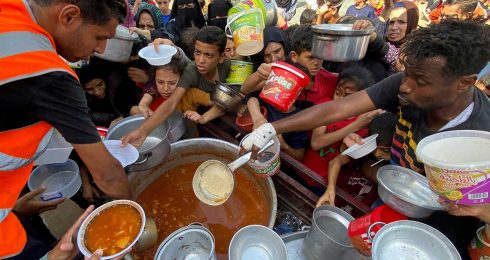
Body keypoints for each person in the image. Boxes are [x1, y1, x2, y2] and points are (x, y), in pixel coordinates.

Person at [241, 20, 490, 259]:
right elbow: (335, 110)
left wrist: (482, 211)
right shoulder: (405, 86)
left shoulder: (481, 136)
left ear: (464, 83)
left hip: (439, 228)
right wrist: (269, 129)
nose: (405, 86)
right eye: (408, 75)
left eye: (421, 81)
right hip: (392, 198)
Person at [0, 0, 132, 257]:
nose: (101, 49)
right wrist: (135, 217)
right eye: (99, 37)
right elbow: (109, 176)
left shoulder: (10, 11)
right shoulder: (48, 74)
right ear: (69, 16)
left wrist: (12, 208)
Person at [122, 26, 230, 146]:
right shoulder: (191, 72)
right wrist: (142, 132)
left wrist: (205, 117)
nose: (200, 60)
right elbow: (171, 103)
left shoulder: (231, 68)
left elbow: (231, 100)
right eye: (197, 52)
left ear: (221, 57)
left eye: (208, 55)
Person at [302, 66, 380, 183]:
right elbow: (316, 142)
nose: (340, 101)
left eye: (348, 97)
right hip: (306, 171)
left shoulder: (365, 121)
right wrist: (354, 126)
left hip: (329, 181)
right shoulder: (326, 106)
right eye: (338, 93)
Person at [315, 112, 398, 207]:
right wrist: (330, 189)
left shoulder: (400, 161)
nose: (377, 154)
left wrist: (374, 175)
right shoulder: (364, 147)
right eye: (375, 147)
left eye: (385, 150)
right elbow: (335, 162)